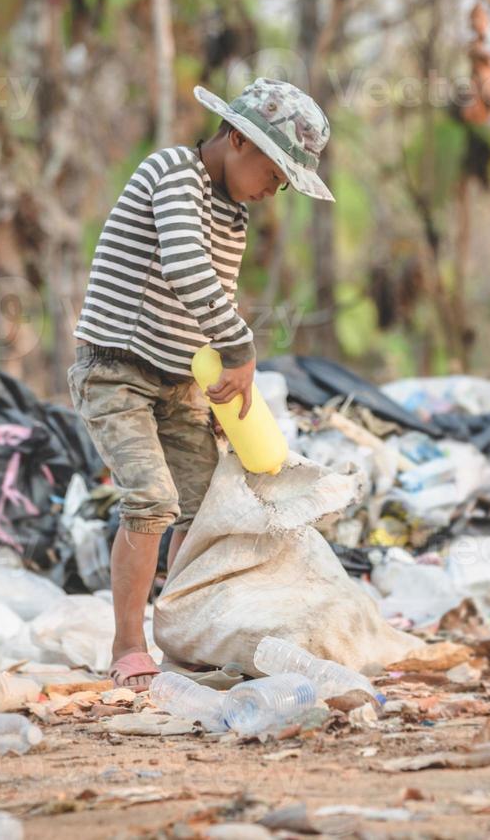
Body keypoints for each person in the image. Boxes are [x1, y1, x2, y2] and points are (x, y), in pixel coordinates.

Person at [68, 77, 334, 688]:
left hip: (179, 379)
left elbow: (212, 306)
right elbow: (188, 268)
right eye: (274, 174)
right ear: (238, 139)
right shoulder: (172, 173)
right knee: (153, 501)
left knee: (205, 506)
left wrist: (222, 399)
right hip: (117, 371)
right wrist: (241, 348)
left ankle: (187, 634)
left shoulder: (233, 215)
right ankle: (128, 644)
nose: (274, 191)